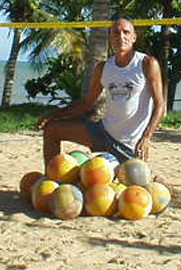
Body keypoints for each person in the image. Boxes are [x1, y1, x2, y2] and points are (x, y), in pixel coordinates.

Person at [36, 17, 165, 165]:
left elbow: (159, 104)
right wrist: (53, 115)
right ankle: (51, 179)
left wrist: (147, 137)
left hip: (130, 144)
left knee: (135, 184)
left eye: (126, 32)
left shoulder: (147, 63)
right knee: (52, 130)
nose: (121, 37)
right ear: (110, 37)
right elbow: (87, 103)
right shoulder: (103, 68)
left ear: (134, 37)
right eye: (116, 33)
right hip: (103, 132)